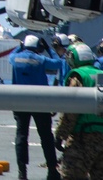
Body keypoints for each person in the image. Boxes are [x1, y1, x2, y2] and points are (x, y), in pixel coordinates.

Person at [55, 42, 103, 180]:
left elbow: (70, 111)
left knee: (71, 176)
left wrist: (60, 135)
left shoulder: (78, 77)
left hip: (81, 140)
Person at [9, 34, 64, 180]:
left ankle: (22, 172)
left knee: (21, 136)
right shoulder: (40, 59)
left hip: (19, 102)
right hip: (40, 102)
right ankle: (52, 170)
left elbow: (11, 55)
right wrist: (49, 49)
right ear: (37, 47)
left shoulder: (15, 59)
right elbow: (59, 63)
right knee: (46, 136)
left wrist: (19, 47)